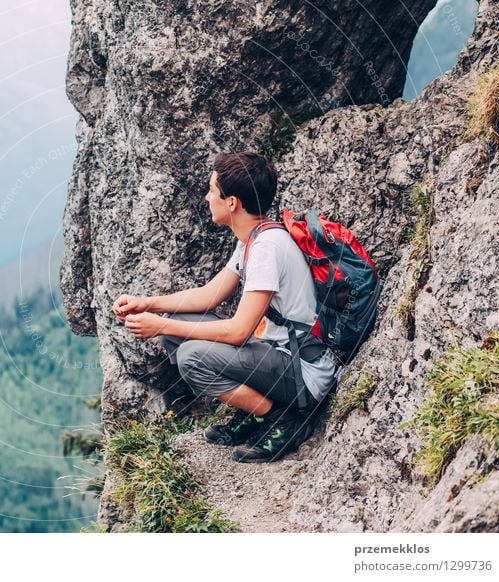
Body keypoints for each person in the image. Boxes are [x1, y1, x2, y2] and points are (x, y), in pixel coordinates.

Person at [112, 151, 337, 463]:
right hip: (277, 355)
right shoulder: (252, 239)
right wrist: (147, 304)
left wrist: (159, 325)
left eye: (212, 190)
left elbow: (238, 330)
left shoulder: (266, 250)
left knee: (191, 357)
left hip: (303, 374)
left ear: (232, 203)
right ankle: (256, 412)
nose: (207, 197)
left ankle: (283, 419)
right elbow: (209, 295)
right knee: (178, 327)